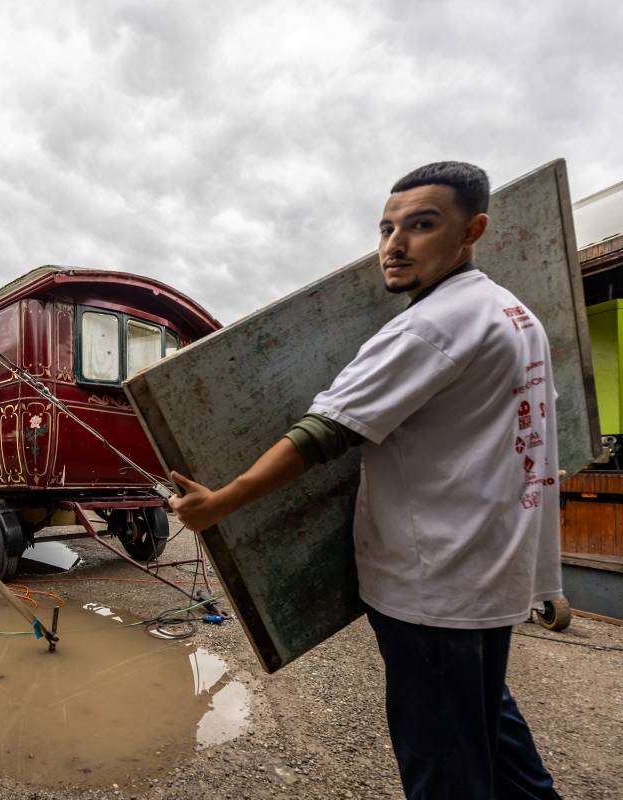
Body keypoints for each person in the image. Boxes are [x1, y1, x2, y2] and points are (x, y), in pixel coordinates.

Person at [169, 162, 563, 799]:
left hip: (433, 587)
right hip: (489, 579)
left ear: (473, 230)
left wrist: (221, 503)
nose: (394, 245)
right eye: (387, 228)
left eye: (422, 225)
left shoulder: (429, 326)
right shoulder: (513, 313)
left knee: (445, 769)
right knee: (495, 741)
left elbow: (323, 432)